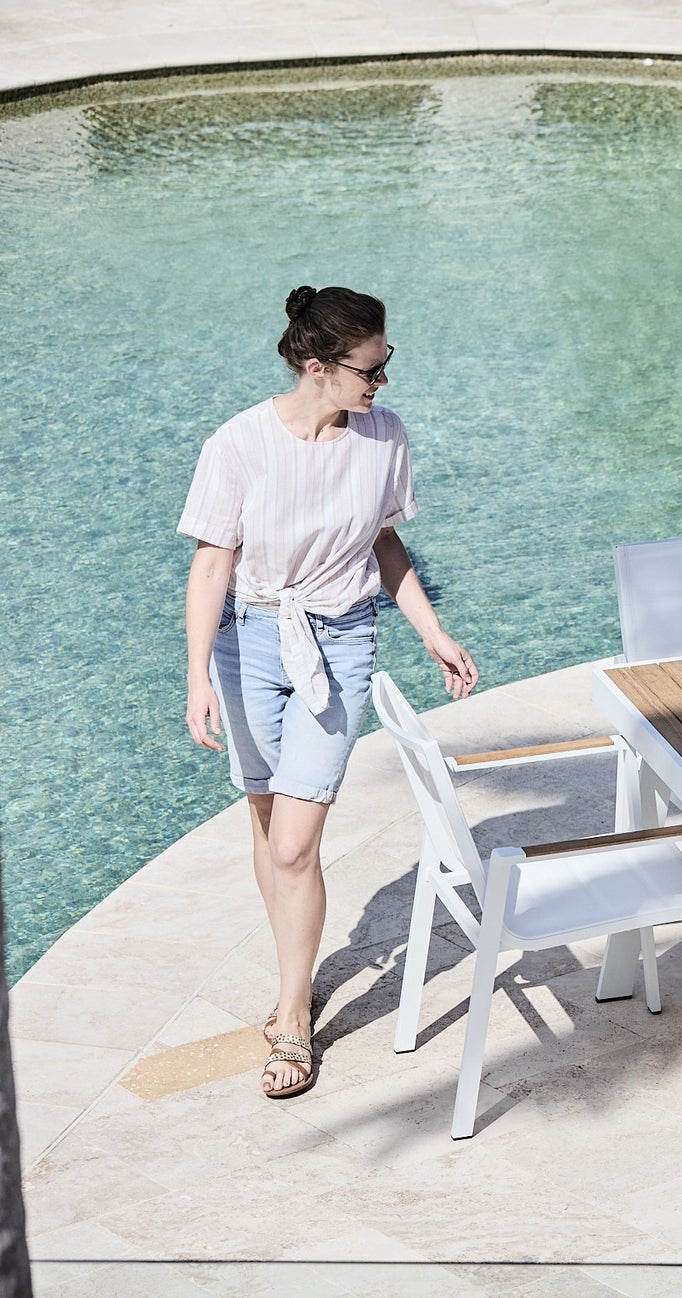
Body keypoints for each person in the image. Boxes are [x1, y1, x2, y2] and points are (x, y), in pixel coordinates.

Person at [179, 286, 478, 1099]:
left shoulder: (384, 438)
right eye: (372, 370)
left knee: (293, 844)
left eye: (386, 365)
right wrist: (198, 673)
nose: (383, 383)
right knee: (268, 815)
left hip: (339, 641)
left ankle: (294, 1016)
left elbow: (385, 543)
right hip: (250, 643)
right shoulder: (238, 444)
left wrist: (432, 633)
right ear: (317, 367)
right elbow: (212, 565)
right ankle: (293, 977)